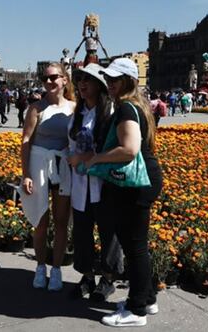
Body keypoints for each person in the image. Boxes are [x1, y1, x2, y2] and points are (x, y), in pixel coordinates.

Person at [84, 58, 163, 327]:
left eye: (115, 79)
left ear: (129, 81)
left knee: (134, 247)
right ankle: (147, 299)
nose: (110, 84)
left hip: (135, 183)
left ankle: (137, 310)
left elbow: (129, 149)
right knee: (135, 244)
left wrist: (96, 158)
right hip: (144, 179)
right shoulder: (138, 105)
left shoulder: (127, 108)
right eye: (108, 79)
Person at [65, 64, 122, 301]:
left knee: (109, 232)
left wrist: (86, 157)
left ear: (100, 85)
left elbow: (115, 147)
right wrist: (73, 158)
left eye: (88, 80)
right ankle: (87, 276)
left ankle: (107, 279)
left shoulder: (110, 112)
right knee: (82, 231)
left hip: (104, 183)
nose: (82, 84)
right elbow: (71, 144)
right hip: (81, 182)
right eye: (79, 79)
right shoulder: (78, 114)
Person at [20, 62, 75, 292]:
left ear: (64, 80)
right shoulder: (36, 108)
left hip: (63, 166)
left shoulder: (74, 107)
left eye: (54, 77)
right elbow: (26, 141)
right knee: (41, 221)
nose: (49, 82)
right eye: (45, 78)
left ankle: (57, 269)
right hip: (39, 165)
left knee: (61, 221)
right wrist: (26, 174)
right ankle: (41, 267)